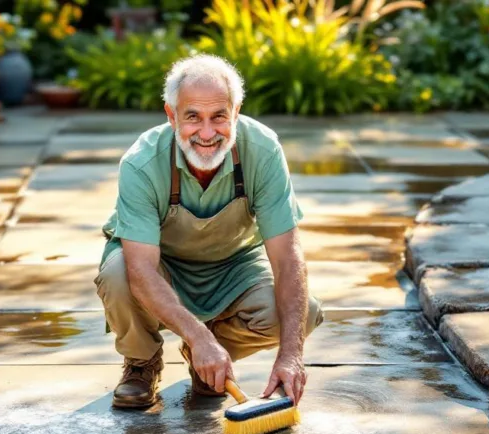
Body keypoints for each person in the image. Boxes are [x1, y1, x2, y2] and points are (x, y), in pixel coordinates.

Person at [95, 53, 323, 409]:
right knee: (119, 273)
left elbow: (287, 259)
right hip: (161, 267)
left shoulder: (262, 151)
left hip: (233, 267)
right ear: (171, 116)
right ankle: (142, 362)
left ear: (236, 110)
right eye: (192, 117)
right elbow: (141, 270)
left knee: (302, 313)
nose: (206, 133)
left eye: (219, 116)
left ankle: (210, 359)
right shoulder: (141, 163)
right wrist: (198, 332)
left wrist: (291, 356)